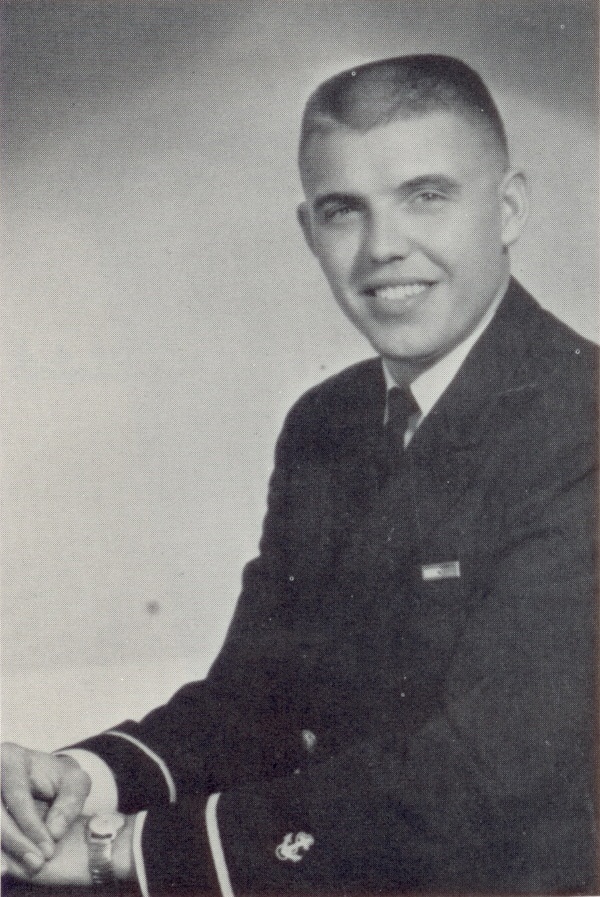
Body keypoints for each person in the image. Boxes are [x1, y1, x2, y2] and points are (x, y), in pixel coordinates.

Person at [2, 54, 597, 896]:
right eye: (343, 209)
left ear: (507, 209)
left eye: (427, 195)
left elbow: (478, 778)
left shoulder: (584, 422)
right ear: (308, 230)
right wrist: (82, 781)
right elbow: (256, 700)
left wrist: (121, 847)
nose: (384, 248)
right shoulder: (327, 422)